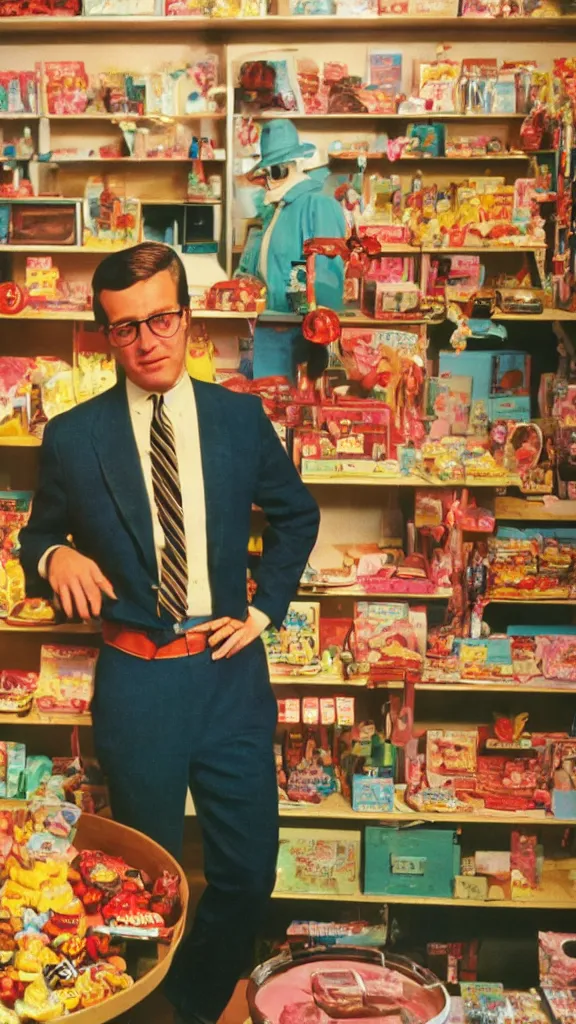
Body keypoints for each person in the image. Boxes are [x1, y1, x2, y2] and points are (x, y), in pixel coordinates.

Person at [19, 241, 320, 1024]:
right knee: (138, 887)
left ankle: (187, 1001)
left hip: (227, 677)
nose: (148, 341)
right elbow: (33, 538)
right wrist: (54, 556)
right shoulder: (73, 435)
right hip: (136, 683)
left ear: (189, 319)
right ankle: (146, 1009)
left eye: (162, 319)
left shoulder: (237, 419)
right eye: (126, 328)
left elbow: (297, 516)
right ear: (104, 336)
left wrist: (264, 610)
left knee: (249, 874)